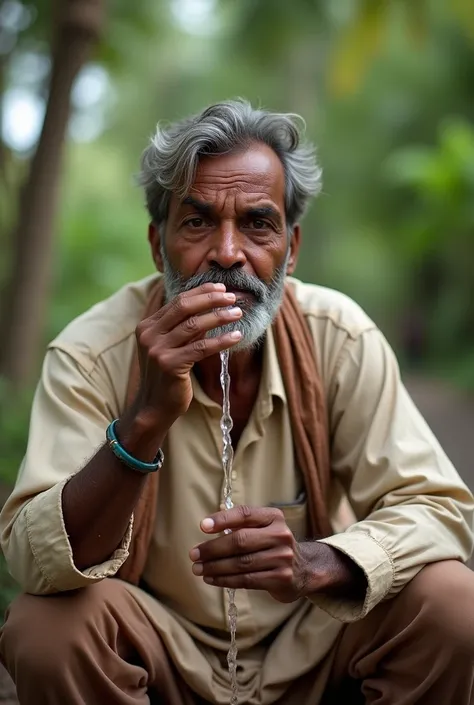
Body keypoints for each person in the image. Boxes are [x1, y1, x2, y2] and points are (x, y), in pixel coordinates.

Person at [0, 99, 473, 705]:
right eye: (197, 223)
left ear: (291, 248)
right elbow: (36, 563)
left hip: (315, 645)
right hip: (158, 650)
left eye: (257, 224)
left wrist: (317, 562)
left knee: (455, 604)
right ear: (157, 245)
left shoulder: (340, 338)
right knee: (46, 631)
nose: (228, 253)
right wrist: (144, 421)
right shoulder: (91, 354)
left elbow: (438, 508)